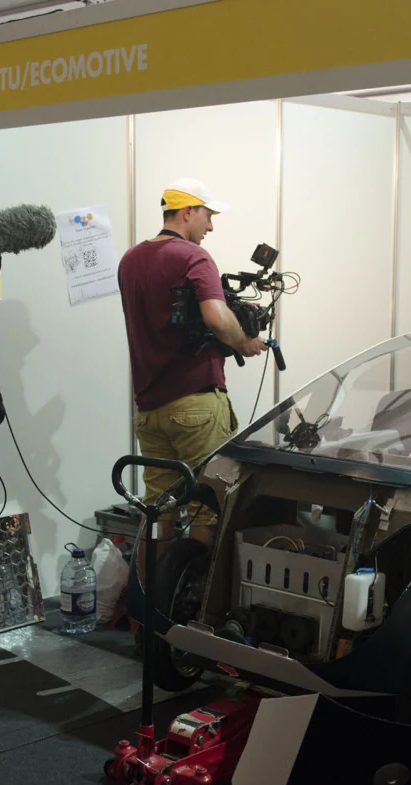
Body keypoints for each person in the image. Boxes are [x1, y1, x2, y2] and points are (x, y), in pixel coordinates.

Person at [117, 177, 266, 564]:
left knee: (157, 511)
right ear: (187, 212)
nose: (210, 227)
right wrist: (243, 342)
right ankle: (196, 597)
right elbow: (216, 318)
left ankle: (148, 595)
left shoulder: (130, 260)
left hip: (149, 409)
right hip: (195, 404)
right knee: (209, 507)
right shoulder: (193, 257)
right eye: (207, 216)